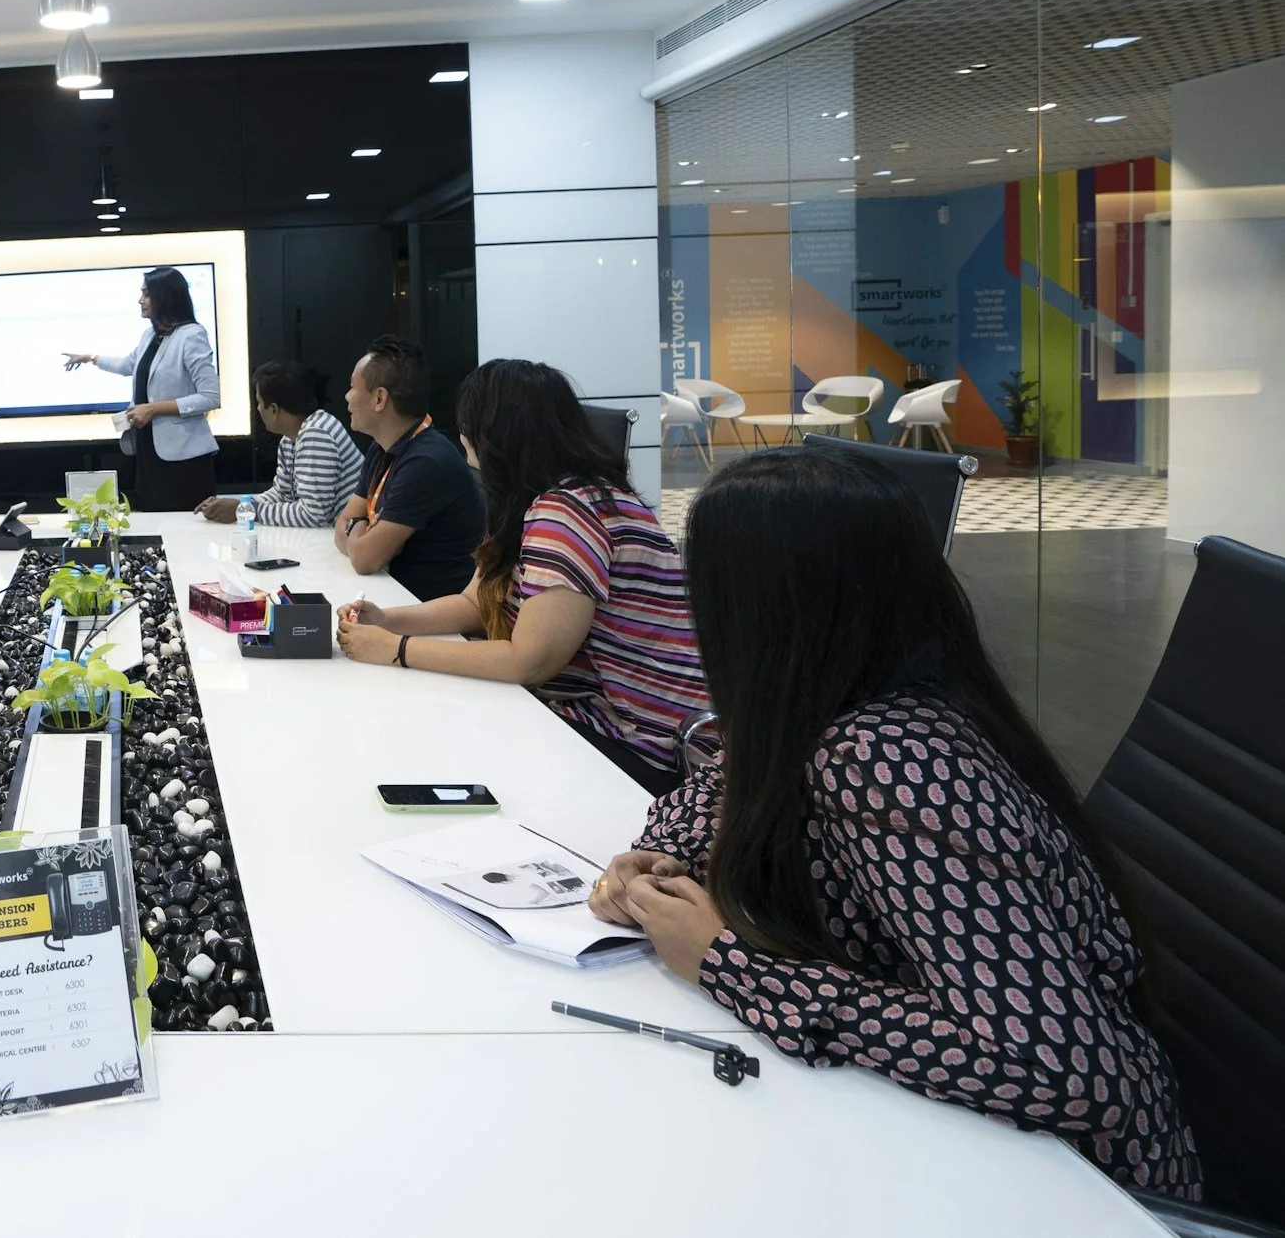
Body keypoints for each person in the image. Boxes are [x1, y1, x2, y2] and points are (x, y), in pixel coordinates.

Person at [584, 445, 1200, 1198]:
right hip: (942, 1135)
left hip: (1072, 1186)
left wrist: (731, 965)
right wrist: (652, 861)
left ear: (764, 609)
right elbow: (721, 789)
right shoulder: (820, 698)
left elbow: (1066, 1071)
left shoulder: (887, 759)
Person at [336, 359, 707, 795]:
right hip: (590, 715)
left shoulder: (566, 512)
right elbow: (476, 603)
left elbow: (530, 660)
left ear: (494, 436)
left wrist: (397, 650)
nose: (461, 435)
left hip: (640, 742)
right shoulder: (535, 501)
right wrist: (389, 621)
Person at [330, 334, 483, 599]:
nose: (347, 397)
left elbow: (365, 560)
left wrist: (359, 531)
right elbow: (343, 522)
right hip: (395, 595)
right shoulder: (381, 448)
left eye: (353, 387)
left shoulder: (427, 461)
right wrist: (360, 530)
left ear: (379, 398)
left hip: (433, 613)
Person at [61, 266, 223, 511]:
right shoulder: (151, 335)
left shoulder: (191, 335)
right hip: (149, 448)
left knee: (184, 524)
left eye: (146, 294)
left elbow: (210, 397)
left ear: (165, 297)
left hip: (184, 455)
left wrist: (154, 409)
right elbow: (128, 365)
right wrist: (91, 358)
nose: (140, 300)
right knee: (154, 517)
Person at [195, 359, 358, 527]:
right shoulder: (290, 438)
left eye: (259, 402)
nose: (258, 409)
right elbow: (282, 493)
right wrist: (233, 505)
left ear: (274, 410)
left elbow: (314, 515)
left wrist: (244, 510)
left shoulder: (317, 434)